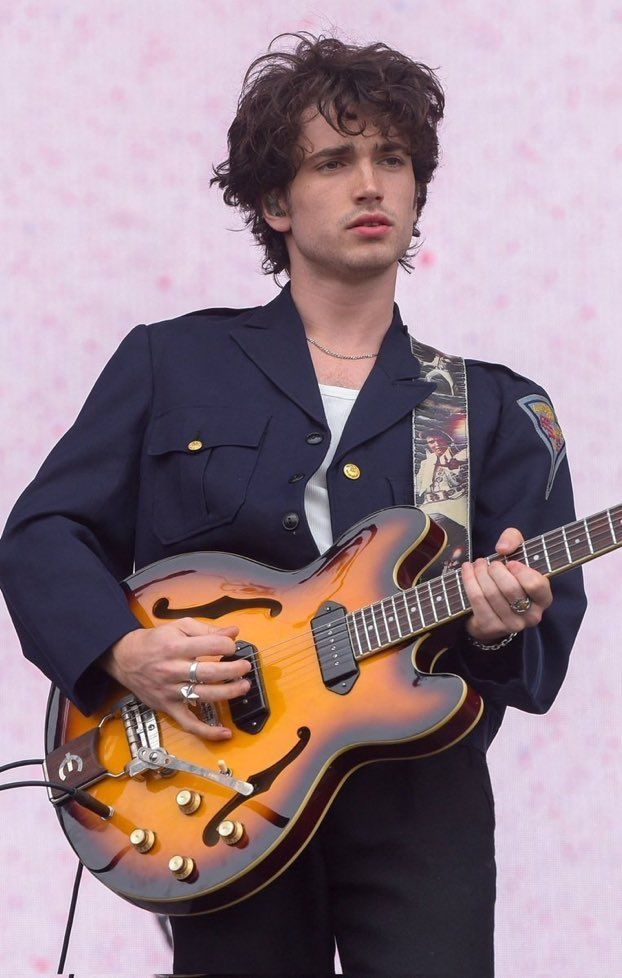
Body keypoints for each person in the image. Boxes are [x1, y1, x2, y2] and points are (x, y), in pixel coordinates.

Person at [0, 33, 586, 977]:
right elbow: (42, 536)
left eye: (392, 159)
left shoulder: (492, 408)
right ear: (274, 200)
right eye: (334, 160)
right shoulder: (171, 361)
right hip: (215, 780)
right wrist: (120, 650)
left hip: (419, 806)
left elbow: (540, 645)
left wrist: (497, 623)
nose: (371, 185)